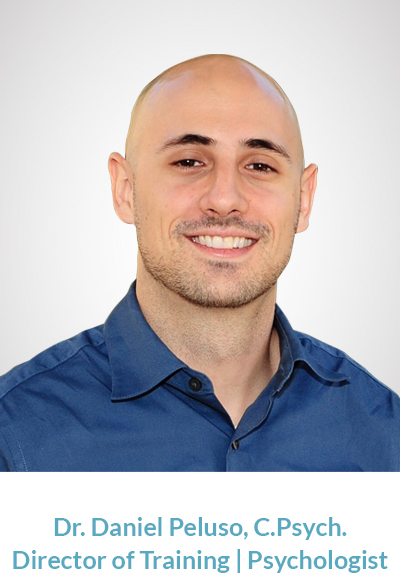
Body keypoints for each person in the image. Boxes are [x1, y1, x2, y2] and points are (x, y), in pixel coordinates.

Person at [0, 54, 399, 472]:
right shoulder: (17, 434)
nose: (224, 199)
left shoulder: (384, 436)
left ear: (304, 199)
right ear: (125, 189)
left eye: (260, 165)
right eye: (189, 162)